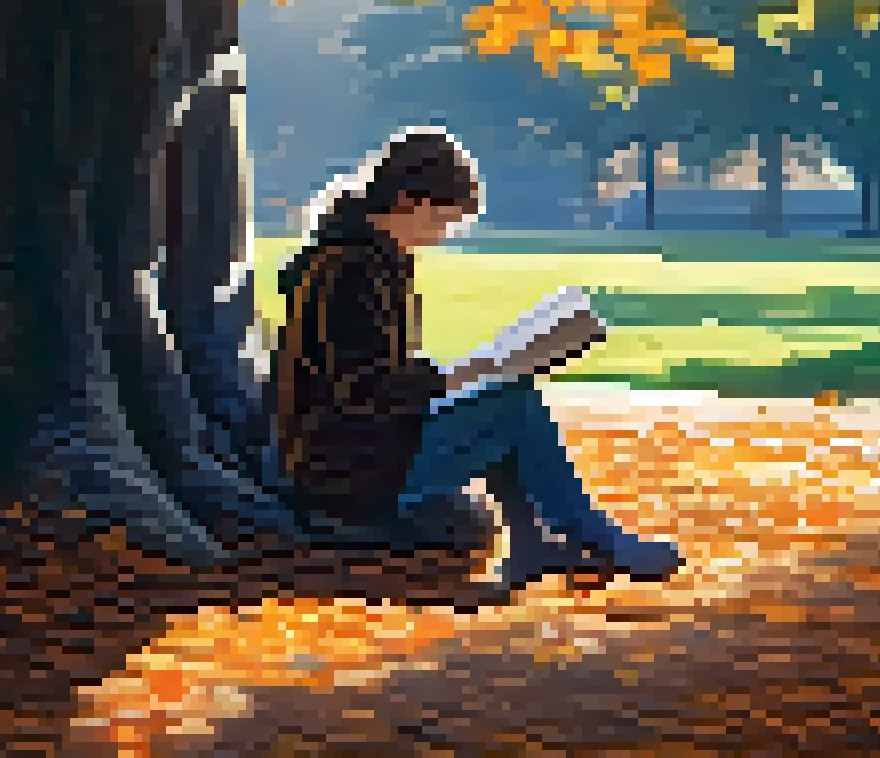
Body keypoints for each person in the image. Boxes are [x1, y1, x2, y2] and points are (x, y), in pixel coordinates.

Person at [270, 127, 683, 594]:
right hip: (343, 471)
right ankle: (589, 537)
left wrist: (463, 379)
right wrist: (457, 376)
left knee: (506, 398)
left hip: (350, 452)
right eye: (442, 221)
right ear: (408, 200)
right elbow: (363, 387)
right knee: (511, 406)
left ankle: (534, 541)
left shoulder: (364, 258)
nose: (441, 236)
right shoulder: (351, 270)